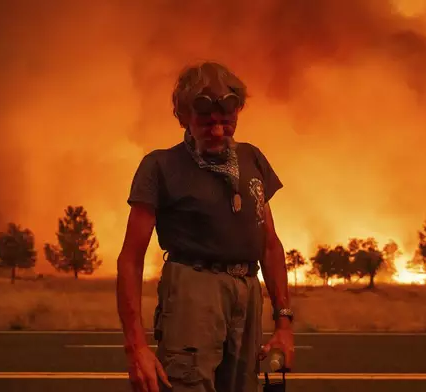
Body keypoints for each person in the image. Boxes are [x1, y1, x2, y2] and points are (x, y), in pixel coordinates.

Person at [116, 61, 294, 392]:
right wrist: (136, 348)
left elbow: (270, 244)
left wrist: (284, 323)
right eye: (205, 121)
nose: (216, 131)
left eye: (226, 121)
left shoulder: (252, 159)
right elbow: (130, 258)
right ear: (183, 117)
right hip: (192, 294)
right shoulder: (160, 166)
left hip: (248, 290)